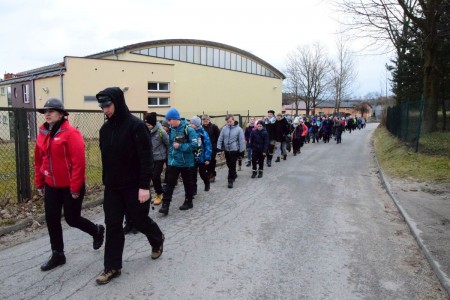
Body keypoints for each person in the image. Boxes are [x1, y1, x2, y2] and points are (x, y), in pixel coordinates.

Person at [96, 87, 164, 285]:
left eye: (107, 106)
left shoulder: (136, 126)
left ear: (118, 102)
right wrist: (106, 181)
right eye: (102, 107)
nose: (105, 110)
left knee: (139, 220)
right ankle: (112, 267)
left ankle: (157, 238)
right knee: (113, 225)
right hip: (113, 188)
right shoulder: (104, 130)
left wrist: (144, 186)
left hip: (135, 186)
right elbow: (106, 159)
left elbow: (146, 158)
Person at [35, 98, 104, 272]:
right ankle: (58, 254)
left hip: (70, 186)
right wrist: (40, 181)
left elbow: (79, 162)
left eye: (51, 111)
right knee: (51, 218)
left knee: (72, 219)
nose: (47, 114)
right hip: (51, 184)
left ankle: (96, 231)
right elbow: (39, 160)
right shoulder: (43, 133)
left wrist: (75, 187)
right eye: (45, 111)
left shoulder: (71, 133)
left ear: (61, 114)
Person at [158, 108, 198, 215]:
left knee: (187, 184)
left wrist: (180, 146)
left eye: (170, 120)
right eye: (168, 120)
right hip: (174, 162)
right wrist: (170, 157)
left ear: (176, 119)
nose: (168, 122)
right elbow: (171, 145)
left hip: (186, 163)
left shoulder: (189, 130)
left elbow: (195, 145)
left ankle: (188, 202)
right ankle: (165, 206)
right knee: (169, 184)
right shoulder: (172, 129)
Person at [146, 112, 170, 205]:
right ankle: (158, 193)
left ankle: (160, 194)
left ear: (153, 124)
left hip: (160, 157)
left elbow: (168, 144)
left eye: (148, 124)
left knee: (155, 176)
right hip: (151, 158)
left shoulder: (161, 131)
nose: (146, 126)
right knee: (152, 176)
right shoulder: (146, 131)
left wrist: (168, 157)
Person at [217, 114, 245, 188]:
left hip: (234, 150)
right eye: (228, 122)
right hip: (226, 150)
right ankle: (234, 174)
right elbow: (220, 139)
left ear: (233, 120)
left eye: (230, 121)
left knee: (232, 165)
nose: (229, 123)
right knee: (229, 164)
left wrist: (241, 151)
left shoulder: (239, 129)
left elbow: (241, 141)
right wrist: (219, 149)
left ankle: (230, 180)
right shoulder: (224, 129)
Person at [189, 116, 212, 193]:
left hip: (201, 158)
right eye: (190, 123)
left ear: (197, 125)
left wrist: (207, 158)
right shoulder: (189, 132)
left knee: (202, 174)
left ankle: (207, 182)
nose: (190, 125)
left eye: (192, 123)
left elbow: (208, 146)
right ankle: (193, 189)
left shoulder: (203, 133)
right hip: (192, 158)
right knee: (192, 175)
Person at [201, 114, 220, 182]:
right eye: (204, 120)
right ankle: (208, 174)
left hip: (213, 146)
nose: (205, 121)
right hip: (204, 147)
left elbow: (219, 137)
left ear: (209, 120)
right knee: (205, 161)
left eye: (207, 120)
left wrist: (219, 148)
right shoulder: (201, 128)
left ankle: (212, 174)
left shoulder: (214, 127)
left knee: (211, 160)